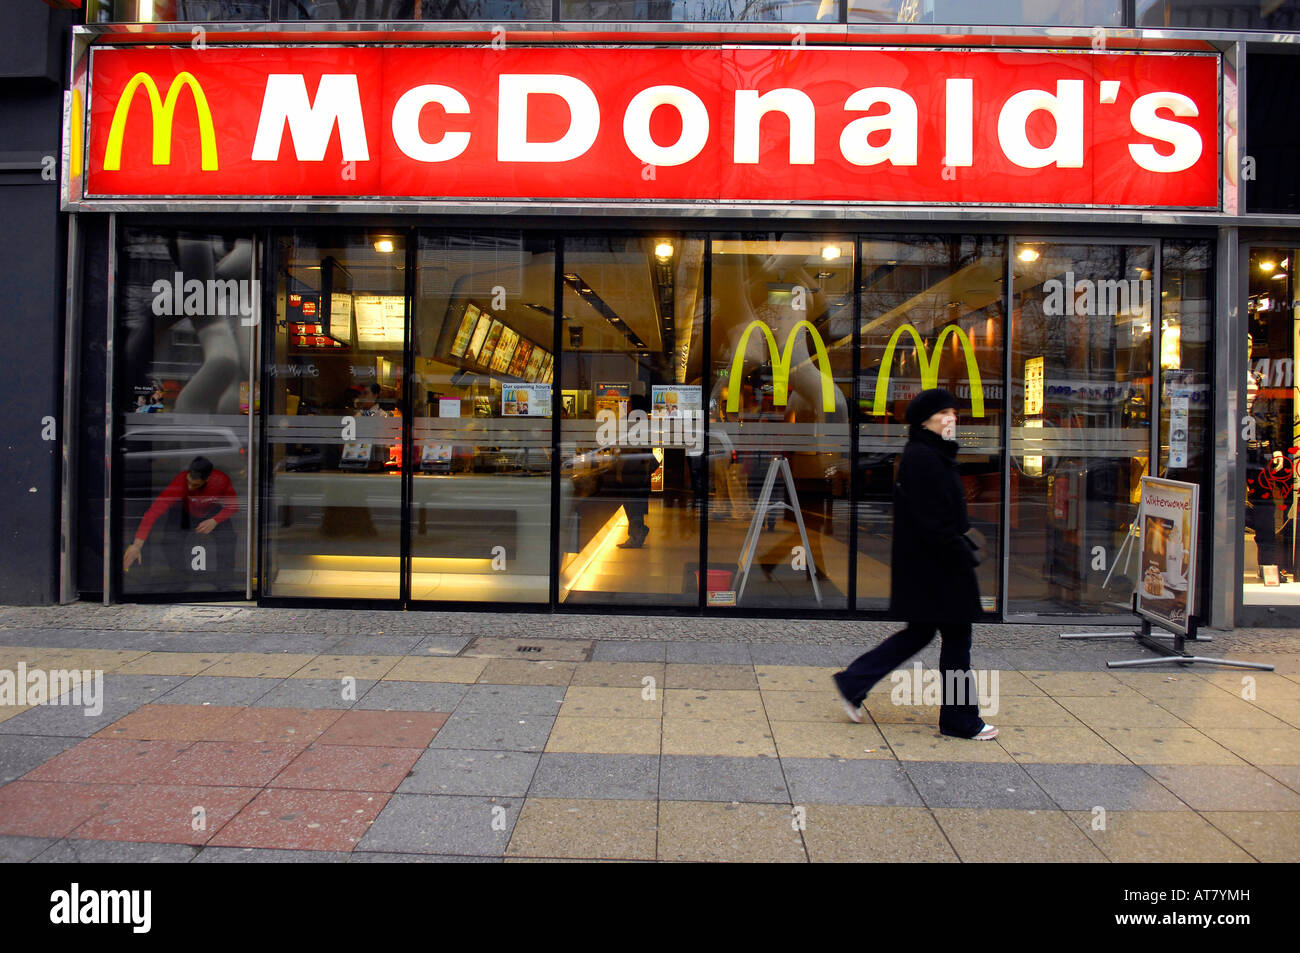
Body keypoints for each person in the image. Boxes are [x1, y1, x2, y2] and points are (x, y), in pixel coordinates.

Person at [831, 388, 997, 740]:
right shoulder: (924, 458)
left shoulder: (931, 453)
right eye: (943, 413)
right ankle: (959, 720)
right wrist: (963, 550)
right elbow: (933, 521)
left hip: (932, 566)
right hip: (939, 568)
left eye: (953, 412)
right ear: (925, 420)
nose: (951, 417)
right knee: (955, 639)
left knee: (922, 634)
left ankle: (853, 681)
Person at [123, 456, 238, 579]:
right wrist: (137, 545)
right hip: (185, 511)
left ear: (207, 479)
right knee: (171, 540)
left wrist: (215, 520)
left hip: (212, 512)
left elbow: (233, 506)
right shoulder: (180, 481)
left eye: (195, 484)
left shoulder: (221, 480)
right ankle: (179, 577)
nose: (189, 487)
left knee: (228, 539)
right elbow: (153, 512)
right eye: (188, 481)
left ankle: (224, 579)